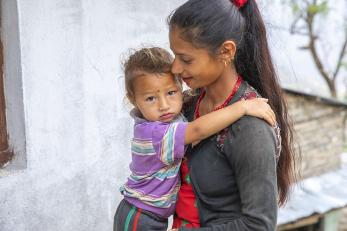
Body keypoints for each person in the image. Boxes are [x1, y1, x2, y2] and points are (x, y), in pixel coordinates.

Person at [113, 47, 276, 231]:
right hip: (139, 216)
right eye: (151, 98)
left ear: (180, 87)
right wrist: (242, 108)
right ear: (133, 100)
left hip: (151, 215)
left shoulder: (173, 117)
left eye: (171, 93)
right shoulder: (155, 133)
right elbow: (197, 130)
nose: (164, 105)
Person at [167, 0, 296, 230]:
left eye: (186, 59)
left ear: (226, 51)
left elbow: (259, 225)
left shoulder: (251, 128)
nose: (176, 68)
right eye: (174, 56)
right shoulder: (188, 106)